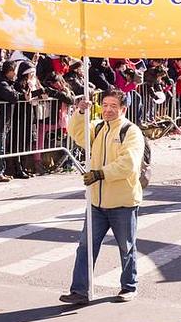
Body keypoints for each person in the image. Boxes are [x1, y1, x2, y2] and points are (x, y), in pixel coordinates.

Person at [60, 89, 145, 305]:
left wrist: (100, 174)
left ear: (123, 109)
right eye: (105, 105)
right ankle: (80, 290)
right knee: (85, 246)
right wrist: (80, 112)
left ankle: (129, 286)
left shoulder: (131, 132)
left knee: (126, 247)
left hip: (123, 202)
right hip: (96, 203)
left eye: (113, 106)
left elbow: (128, 164)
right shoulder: (97, 127)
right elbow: (77, 133)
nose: (108, 110)